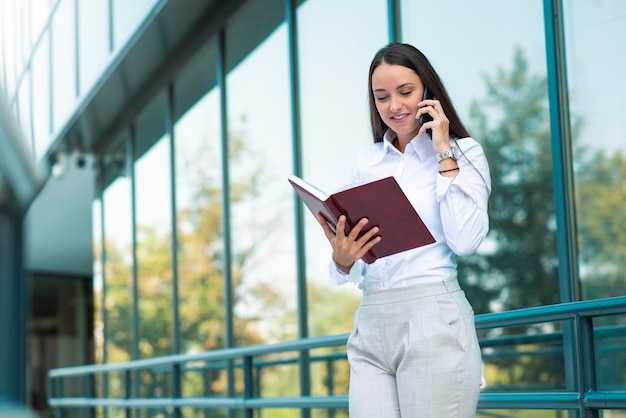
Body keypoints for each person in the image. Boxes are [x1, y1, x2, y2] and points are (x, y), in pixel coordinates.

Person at [316, 43, 491, 417]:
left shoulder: (465, 153)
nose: (394, 106)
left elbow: (465, 240)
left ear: (428, 91)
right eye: (382, 97)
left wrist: (443, 151)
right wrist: (343, 259)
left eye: (405, 92)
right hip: (372, 319)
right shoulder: (368, 161)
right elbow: (365, 255)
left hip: (433, 316)